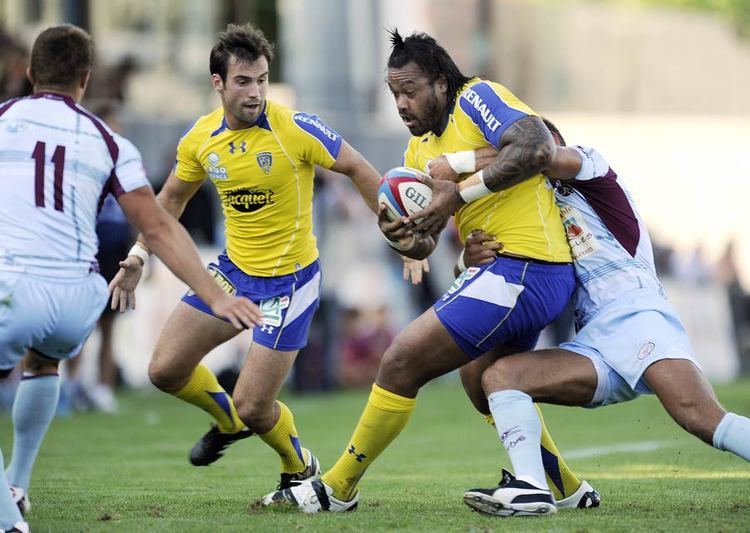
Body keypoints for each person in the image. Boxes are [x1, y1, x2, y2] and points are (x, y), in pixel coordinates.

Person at [263, 29, 596, 512]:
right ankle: (566, 487)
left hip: (531, 266)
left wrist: (456, 194)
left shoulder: (478, 98)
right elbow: (426, 239)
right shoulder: (417, 154)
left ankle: (336, 488)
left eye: (411, 90)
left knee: (402, 360)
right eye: (395, 93)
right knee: (484, 382)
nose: (402, 103)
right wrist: (402, 234)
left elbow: (539, 148)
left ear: (441, 83)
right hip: (504, 270)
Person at [109, 23, 396, 492]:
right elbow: (172, 200)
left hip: (290, 283)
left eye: (262, 79)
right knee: (164, 370)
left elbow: (360, 169)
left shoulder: (294, 128)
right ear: (218, 83)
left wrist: (398, 231)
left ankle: (297, 465)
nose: (256, 91)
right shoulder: (200, 138)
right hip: (231, 275)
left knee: (256, 407)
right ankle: (227, 422)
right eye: (244, 81)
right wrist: (140, 253)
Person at [0, 25, 262, 532]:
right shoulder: (108, 139)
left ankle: (9, 520)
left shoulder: (3, 120)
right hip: (80, 298)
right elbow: (159, 226)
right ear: (86, 78)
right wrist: (214, 295)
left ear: (29, 74)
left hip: (14, 286)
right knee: (43, 359)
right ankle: (19, 481)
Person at [454, 120, 750, 516]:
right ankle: (532, 489)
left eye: (520, 146)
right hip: (592, 342)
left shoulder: (592, 167)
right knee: (501, 377)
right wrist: (464, 260)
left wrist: (456, 165)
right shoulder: (533, 212)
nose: (517, 155)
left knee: (701, 417)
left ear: (550, 143)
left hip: (637, 317)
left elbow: (538, 156)